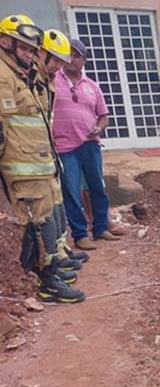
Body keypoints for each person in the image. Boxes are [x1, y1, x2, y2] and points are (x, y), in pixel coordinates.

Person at [0, 14, 84, 303]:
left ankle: (53, 270)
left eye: (31, 49)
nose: (29, 54)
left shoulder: (22, 75)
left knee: (48, 218)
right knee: (36, 224)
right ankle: (47, 282)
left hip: (38, 163)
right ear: (5, 43)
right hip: (22, 168)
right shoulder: (3, 75)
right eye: (23, 48)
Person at [53, 37, 123, 251]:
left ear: (84, 59)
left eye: (76, 55)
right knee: (72, 191)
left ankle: (100, 228)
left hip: (90, 145)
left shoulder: (92, 86)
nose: (71, 59)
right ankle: (80, 234)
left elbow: (104, 116)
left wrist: (99, 128)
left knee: (97, 188)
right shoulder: (52, 81)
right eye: (68, 55)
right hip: (65, 147)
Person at [36, 29, 88, 272]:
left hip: (47, 153)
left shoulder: (44, 80)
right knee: (44, 208)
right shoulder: (25, 79)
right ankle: (49, 269)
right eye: (56, 60)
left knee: (57, 202)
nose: (59, 66)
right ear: (42, 53)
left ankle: (60, 250)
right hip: (30, 158)